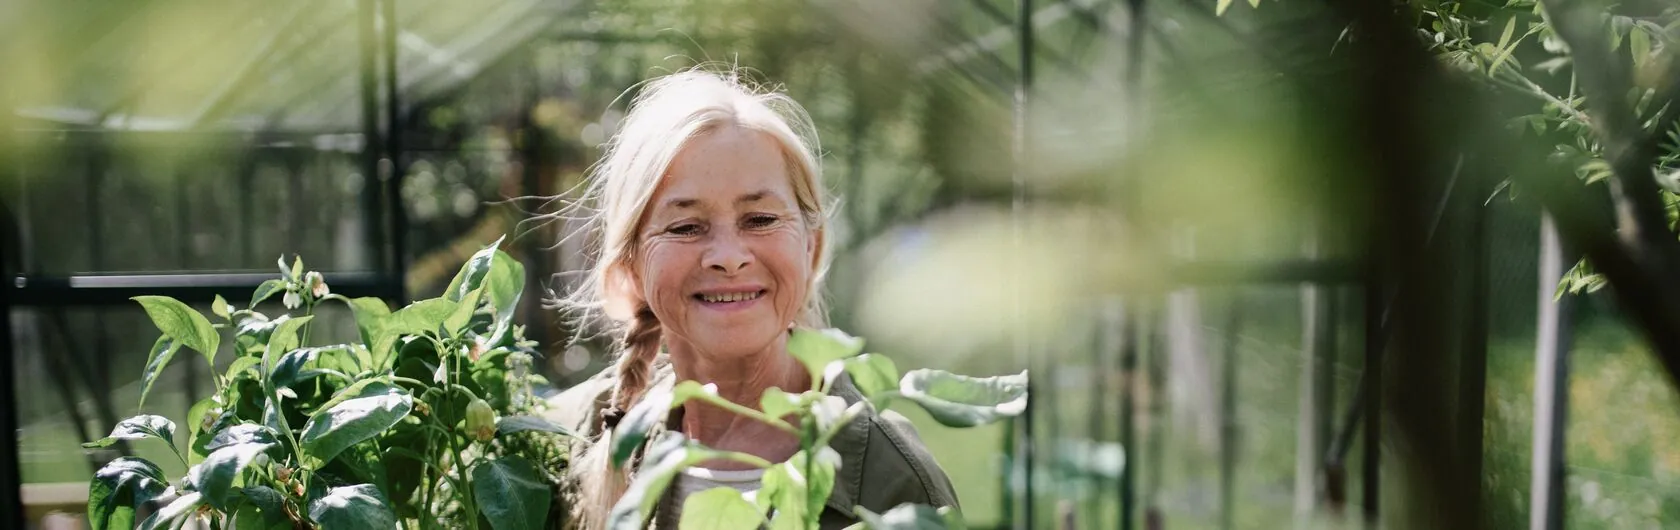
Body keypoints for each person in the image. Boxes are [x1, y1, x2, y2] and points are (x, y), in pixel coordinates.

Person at [544, 67, 959, 529]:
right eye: (685, 227)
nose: (728, 257)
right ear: (631, 268)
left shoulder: (891, 484)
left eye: (760, 219)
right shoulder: (569, 443)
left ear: (812, 246)